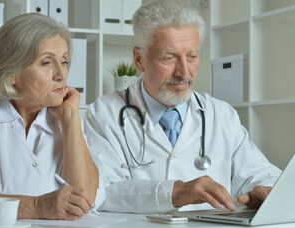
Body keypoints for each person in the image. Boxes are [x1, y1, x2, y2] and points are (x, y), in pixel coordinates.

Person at [83, 0, 281, 213]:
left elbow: (260, 173)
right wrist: (174, 192)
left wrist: (265, 190)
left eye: (192, 56)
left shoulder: (220, 115)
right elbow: (99, 191)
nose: (184, 72)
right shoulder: (102, 114)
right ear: (139, 59)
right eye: (169, 58)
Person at [0, 13, 105, 220]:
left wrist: (71, 121)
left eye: (64, 61)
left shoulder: (65, 121)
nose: (61, 74)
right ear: (11, 73)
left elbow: (85, 200)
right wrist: (36, 206)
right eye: (46, 63)